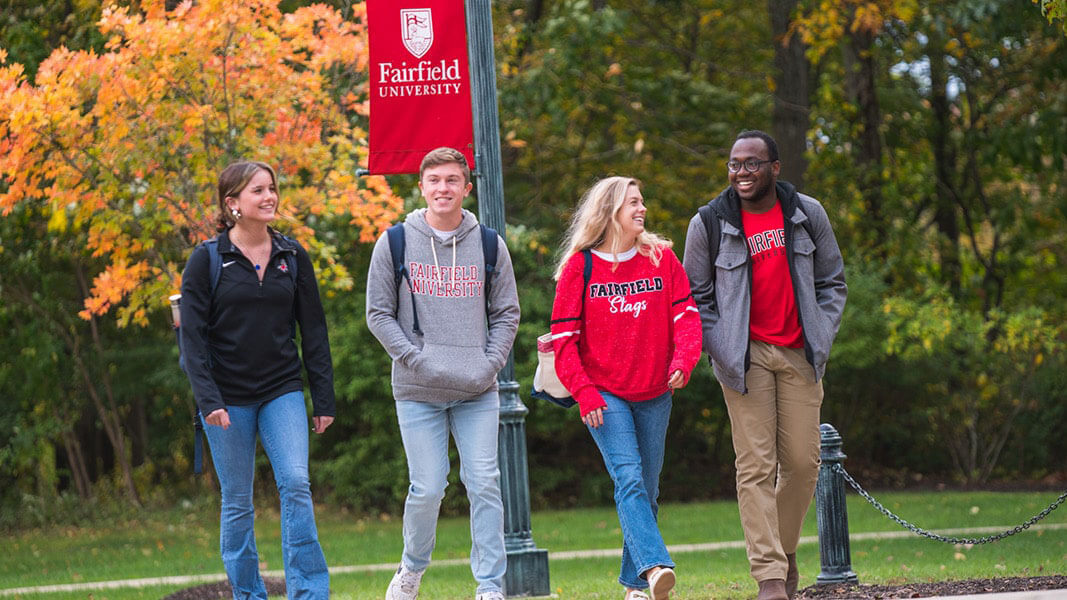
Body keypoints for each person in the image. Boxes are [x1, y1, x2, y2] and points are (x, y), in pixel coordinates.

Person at [682, 131, 847, 600]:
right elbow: (697, 299)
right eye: (734, 164)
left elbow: (833, 281)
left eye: (752, 164)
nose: (741, 173)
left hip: (799, 353)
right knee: (755, 466)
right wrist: (723, 348)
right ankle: (771, 577)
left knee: (801, 462)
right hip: (745, 359)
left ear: (775, 167)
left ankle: (784, 549)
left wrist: (821, 333)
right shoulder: (709, 223)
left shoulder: (806, 214)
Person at [365, 147, 520, 600]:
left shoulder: (489, 244)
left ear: (466, 188)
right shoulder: (394, 242)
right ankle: (411, 569)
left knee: (485, 482)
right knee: (428, 487)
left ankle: (490, 586)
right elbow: (378, 314)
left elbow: (507, 313)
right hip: (417, 390)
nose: (443, 189)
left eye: (452, 180)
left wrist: (488, 364)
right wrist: (417, 359)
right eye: (434, 181)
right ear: (421, 187)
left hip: (476, 389)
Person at [180, 161, 336, 600]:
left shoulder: (292, 255)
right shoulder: (206, 261)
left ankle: (308, 592)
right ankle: (248, 594)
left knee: (296, 483)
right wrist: (208, 400)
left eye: (272, 189)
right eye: (258, 190)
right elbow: (191, 341)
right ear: (232, 204)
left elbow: (314, 330)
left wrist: (322, 398)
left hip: (281, 389)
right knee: (237, 501)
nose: (270, 197)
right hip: (226, 398)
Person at [549, 176, 702, 600]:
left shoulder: (660, 259)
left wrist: (682, 362)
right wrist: (583, 391)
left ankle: (635, 587)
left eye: (642, 202)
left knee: (647, 489)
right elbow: (563, 341)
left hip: (655, 391)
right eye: (633, 202)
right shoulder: (581, 267)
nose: (642, 209)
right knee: (630, 479)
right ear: (610, 210)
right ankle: (655, 567)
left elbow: (686, 318)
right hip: (603, 395)